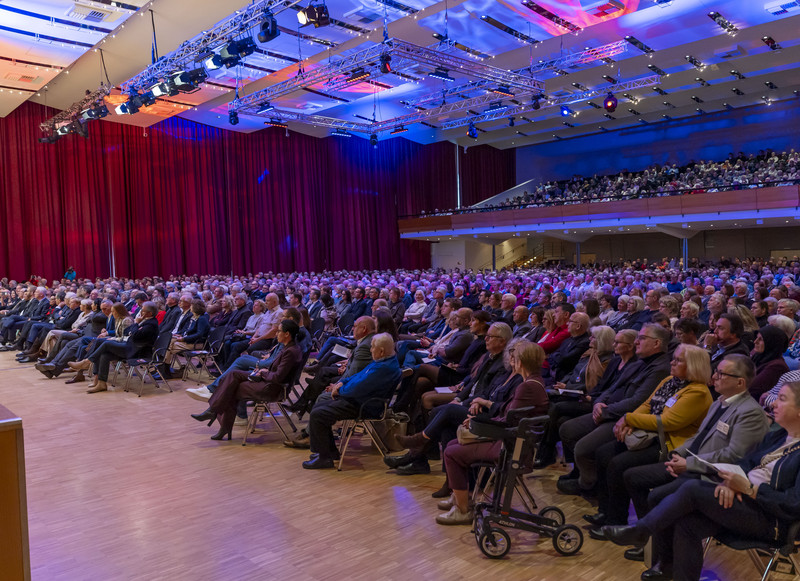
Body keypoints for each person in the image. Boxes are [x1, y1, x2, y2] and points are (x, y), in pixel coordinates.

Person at [603, 381, 800, 581]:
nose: (773, 404)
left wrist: (750, 489)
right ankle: (660, 557)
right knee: (687, 524)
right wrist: (730, 483)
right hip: (741, 499)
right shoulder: (778, 436)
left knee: (692, 488)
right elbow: (746, 464)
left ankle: (642, 530)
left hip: (772, 520)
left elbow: (793, 504)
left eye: (782, 399)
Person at [585, 344, 713, 539]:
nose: (672, 362)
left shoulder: (698, 392)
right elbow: (647, 405)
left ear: (693, 366)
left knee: (619, 465)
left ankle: (619, 522)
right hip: (648, 434)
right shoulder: (670, 380)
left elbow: (668, 422)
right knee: (603, 453)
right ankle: (605, 511)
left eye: (678, 360)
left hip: (669, 445)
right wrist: (629, 423)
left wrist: (628, 419)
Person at [435, 340, 548, 524]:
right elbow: (507, 413)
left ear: (521, 361)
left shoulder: (528, 386)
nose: (511, 359)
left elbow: (507, 420)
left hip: (510, 446)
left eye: (514, 356)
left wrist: (478, 422)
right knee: (452, 443)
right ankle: (462, 498)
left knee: (451, 452)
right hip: (511, 440)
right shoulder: (531, 382)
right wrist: (476, 420)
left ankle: (463, 510)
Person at [301, 333, 401, 469]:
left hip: (366, 406)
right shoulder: (383, 362)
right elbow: (359, 377)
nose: (370, 350)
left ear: (381, 351)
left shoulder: (383, 368)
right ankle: (329, 452)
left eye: (372, 347)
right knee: (319, 408)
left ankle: (324, 458)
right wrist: (342, 384)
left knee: (319, 414)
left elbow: (358, 388)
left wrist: (339, 390)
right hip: (360, 400)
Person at [190, 319, 303, 440]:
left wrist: (264, 372)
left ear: (287, 334)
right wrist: (263, 372)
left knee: (231, 388)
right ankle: (215, 414)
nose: (276, 333)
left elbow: (277, 377)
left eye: (279, 331)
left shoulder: (291, 352)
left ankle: (216, 416)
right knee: (233, 375)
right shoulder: (288, 348)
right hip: (267, 381)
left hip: (272, 388)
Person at [83, 302, 159, 394]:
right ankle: (101, 383)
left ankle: (88, 361)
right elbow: (127, 331)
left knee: (106, 344)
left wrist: (136, 323)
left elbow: (134, 335)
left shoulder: (151, 324)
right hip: (131, 347)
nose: (140, 312)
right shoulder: (145, 321)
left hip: (138, 352)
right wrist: (135, 326)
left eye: (142, 310)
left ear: (149, 313)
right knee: (104, 355)